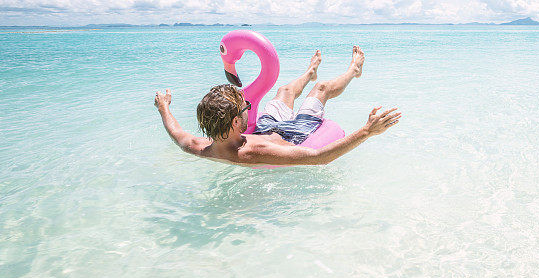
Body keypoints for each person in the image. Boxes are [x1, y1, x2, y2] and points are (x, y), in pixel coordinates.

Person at [154, 46, 401, 166]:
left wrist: (164, 107)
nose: (250, 108)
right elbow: (318, 158)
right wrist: (367, 131)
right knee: (322, 90)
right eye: (246, 107)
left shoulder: (202, 146)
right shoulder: (254, 151)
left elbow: (177, 134)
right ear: (234, 122)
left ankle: (309, 73)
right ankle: (353, 70)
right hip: (297, 133)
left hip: (267, 129)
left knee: (284, 90)